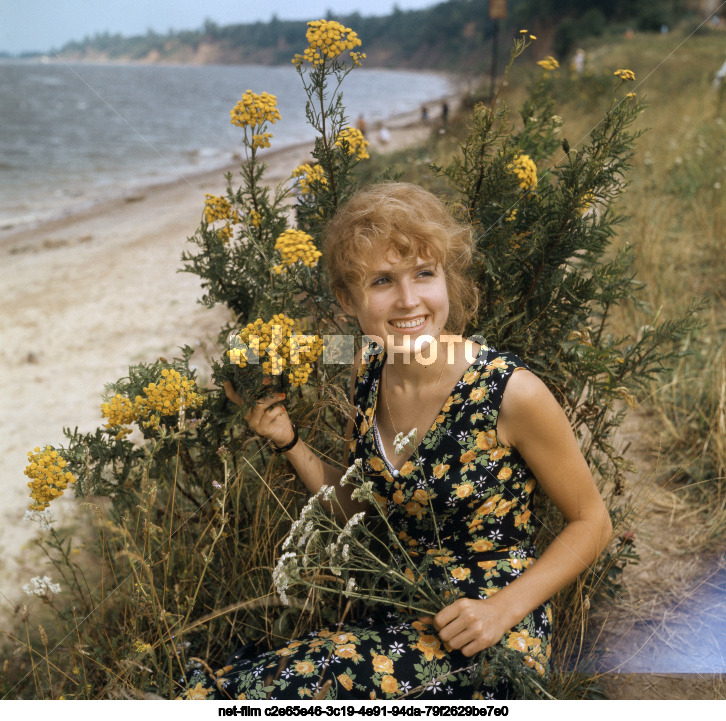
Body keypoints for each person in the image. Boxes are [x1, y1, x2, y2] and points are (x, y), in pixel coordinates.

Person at [181, 182, 612, 700]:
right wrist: (287, 438)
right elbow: (359, 508)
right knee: (263, 681)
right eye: (383, 280)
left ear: (446, 278)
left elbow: (593, 522)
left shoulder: (510, 392)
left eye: (425, 274)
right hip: (395, 615)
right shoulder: (368, 368)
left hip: (487, 636)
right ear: (347, 298)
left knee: (296, 689)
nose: (410, 300)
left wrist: (501, 611)